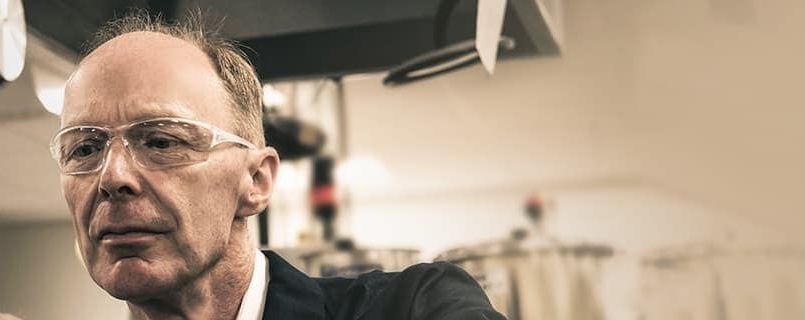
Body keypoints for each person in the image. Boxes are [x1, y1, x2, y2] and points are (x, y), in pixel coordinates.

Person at [51, 11, 504, 320]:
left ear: (256, 180)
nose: (112, 177)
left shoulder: (415, 307)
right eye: (85, 149)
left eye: (161, 141)